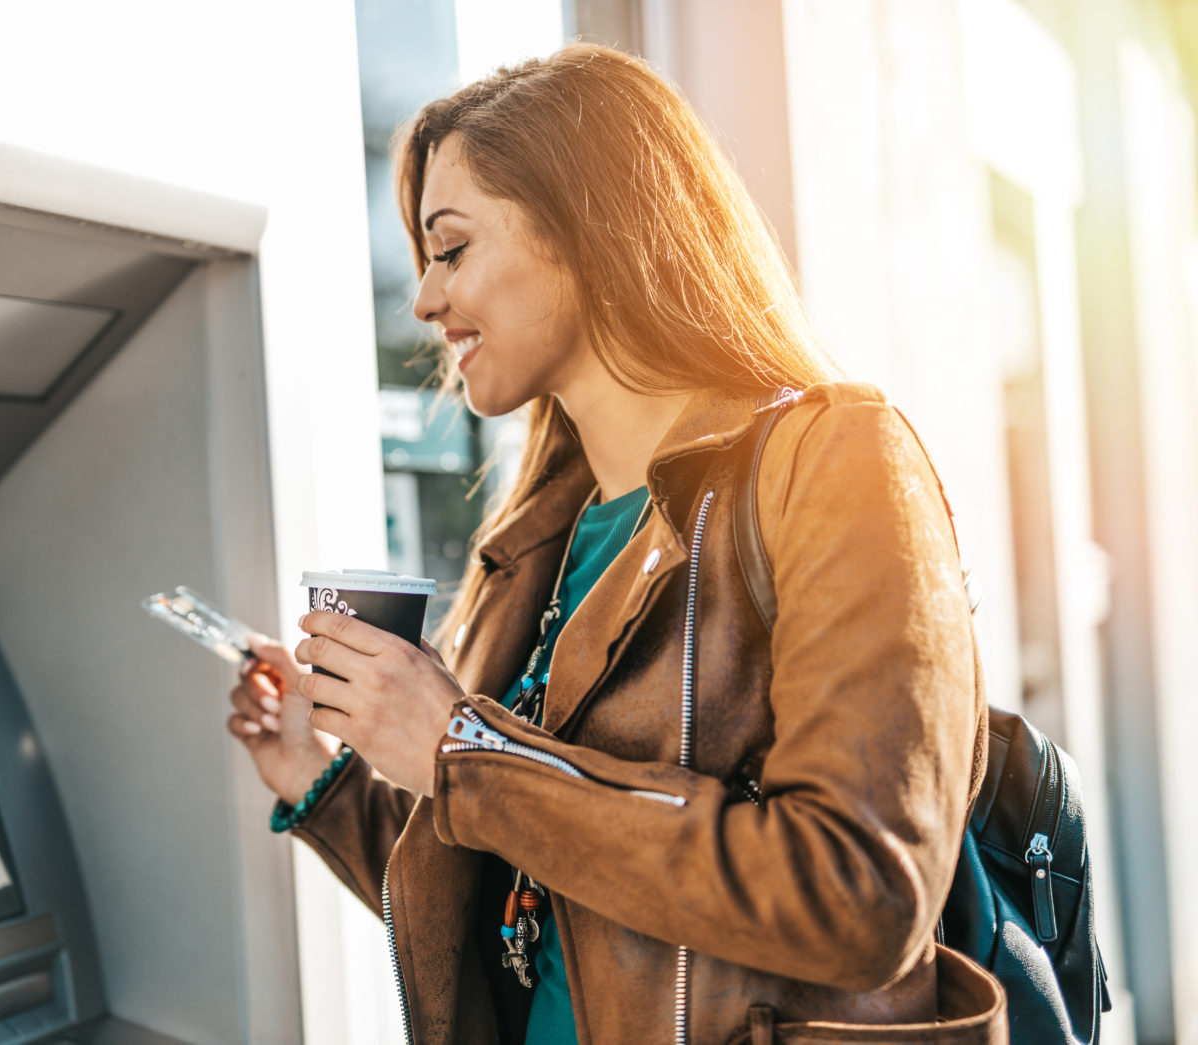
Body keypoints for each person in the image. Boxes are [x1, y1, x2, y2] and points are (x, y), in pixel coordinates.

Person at [226, 43, 1007, 1045]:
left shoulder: (838, 462)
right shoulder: (537, 541)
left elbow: (858, 897)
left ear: (586, 232)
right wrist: (319, 774)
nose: (423, 300)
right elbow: (523, 903)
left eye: (452, 249)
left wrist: (464, 750)